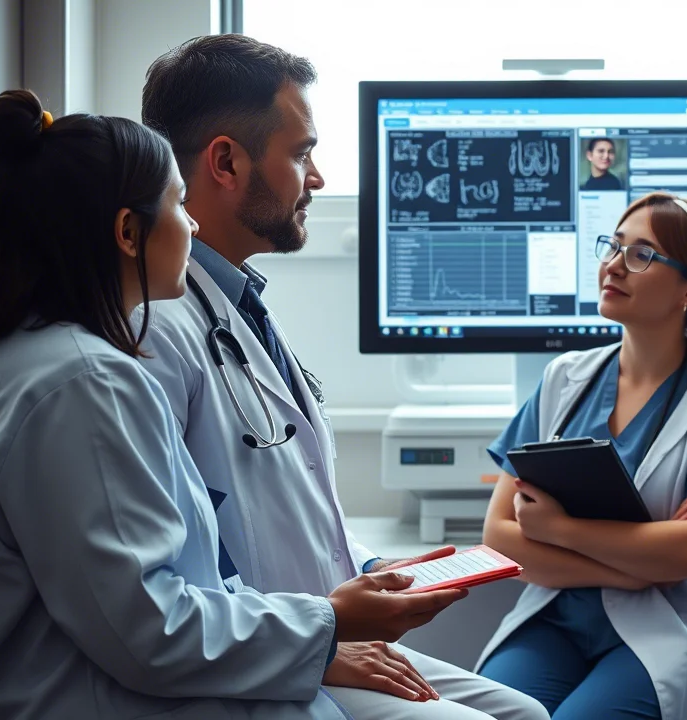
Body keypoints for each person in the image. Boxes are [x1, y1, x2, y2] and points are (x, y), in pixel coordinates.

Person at [0, 89, 467, 719]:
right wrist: (328, 621)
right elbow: (151, 630)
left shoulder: (48, 359)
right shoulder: (85, 381)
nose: (191, 226)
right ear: (128, 233)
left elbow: (177, 582)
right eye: (178, 205)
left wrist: (324, 626)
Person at [137, 34, 549, 720]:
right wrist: (316, 642)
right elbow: (184, 560)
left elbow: (292, 499)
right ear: (226, 162)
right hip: (259, 656)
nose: (319, 178)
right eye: (302, 154)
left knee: (527, 714)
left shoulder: (237, 305)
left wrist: (369, 570)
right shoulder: (157, 331)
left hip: (311, 630)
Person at [476, 192, 687, 720]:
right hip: (558, 617)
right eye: (613, 247)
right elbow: (500, 536)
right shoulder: (564, 379)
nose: (614, 265)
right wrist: (636, 568)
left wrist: (557, 529)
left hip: (678, 624)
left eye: (642, 255)